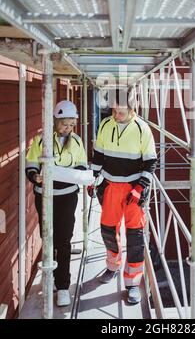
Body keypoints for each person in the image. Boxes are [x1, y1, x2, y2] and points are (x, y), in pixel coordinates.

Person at [89, 88, 157, 304]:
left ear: (131, 109)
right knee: (108, 230)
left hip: (133, 190)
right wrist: (93, 178)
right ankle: (113, 267)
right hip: (110, 187)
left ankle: (133, 283)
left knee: (135, 237)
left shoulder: (142, 129)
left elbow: (151, 163)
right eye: (113, 111)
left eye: (120, 112)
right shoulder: (106, 124)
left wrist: (139, 189)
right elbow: (98, 155)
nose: (115, 115)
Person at [25, 100, 87, 307]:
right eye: (64, 124)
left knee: (64, 240)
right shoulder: (41, 140)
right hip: (45, 196)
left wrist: (75, 175)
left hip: (68, 197)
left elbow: (81, 166)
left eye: (71, 125)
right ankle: (49, 276)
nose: (67, 129)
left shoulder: (77, 142)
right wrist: (35, 177)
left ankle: (62, 286)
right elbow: (31, 165)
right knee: (47, 237)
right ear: (55, 121)